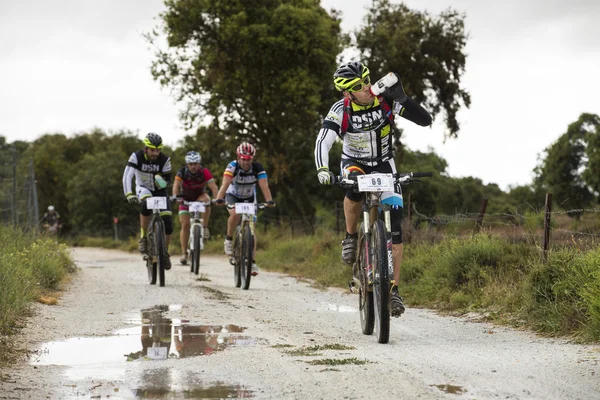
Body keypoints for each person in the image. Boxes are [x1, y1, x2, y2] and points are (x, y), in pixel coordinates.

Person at [314, 61, 432, 317]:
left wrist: (403, 98)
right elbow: (323, 140)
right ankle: (350, 236)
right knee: (353, 189)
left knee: (396, 226)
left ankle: (394, 290)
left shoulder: (386, 100)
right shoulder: (340, 109)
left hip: (383, 164)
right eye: (358, 86)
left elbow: (425, 121)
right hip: (354, 163)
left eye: (367, 81)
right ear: (347, 92)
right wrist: (323, 169)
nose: (367, 88)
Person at [215, 142, 275, 276]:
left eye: (248, 159)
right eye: (242, 159)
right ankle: (229, 239)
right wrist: (219, 198)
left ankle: (252, 261)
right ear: (238, 157)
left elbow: (264, 186)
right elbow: (225, 184)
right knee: (235, 214)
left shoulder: (257, 168)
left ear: (253, 158)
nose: (245, 162)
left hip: (249, 197)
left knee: (252, 229)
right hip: (233, 195)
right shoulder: (232, 166)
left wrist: (269, 200)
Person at [122, 132, 174, 269]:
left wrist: (162, 181)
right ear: (146, 148)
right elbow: (127, 176)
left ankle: (165, 253)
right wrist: (128, 193)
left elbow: (169, 181)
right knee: (145, 203)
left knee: (168, 221)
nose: (155, 153)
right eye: (152, 150)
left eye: (158, 150)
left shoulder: (165, 160)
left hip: (160, 190)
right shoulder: (136, 156)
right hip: (143, 188)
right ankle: (144, 237)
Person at [172, 151, 219, 265]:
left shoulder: (204, 171)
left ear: (199, 163)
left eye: (196, 163)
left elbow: (213, 186)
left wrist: (217, 198)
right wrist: (175, 197)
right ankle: (184, 254)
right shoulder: (182, 171)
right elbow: (176, 185)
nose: (194, 166)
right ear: (187, 164)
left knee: (207, 200)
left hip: (199, 197)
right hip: (185, 199)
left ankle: (205, 227)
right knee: (185, 225)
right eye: (191, 164)